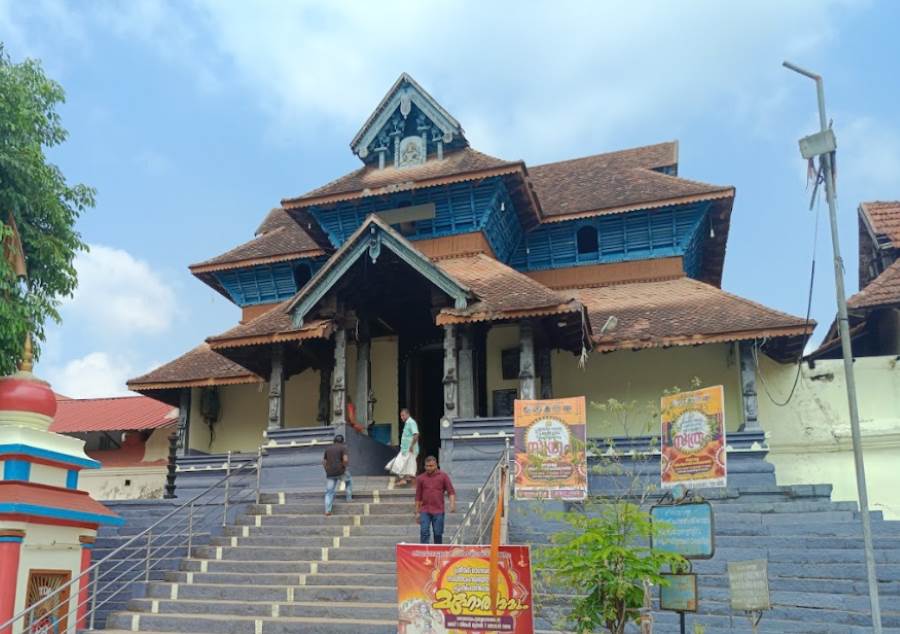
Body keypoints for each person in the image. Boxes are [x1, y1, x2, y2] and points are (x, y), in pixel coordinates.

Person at [415, 456, 456, 544]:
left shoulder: (443, 476)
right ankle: (424, 553)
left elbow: (451, 492)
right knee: (424, 532)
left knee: (438, 533)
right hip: (425, 510)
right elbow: (418, 496)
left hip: (438, 510)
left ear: (436, 465)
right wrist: (417, 512)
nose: (429, 468)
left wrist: (452, 505)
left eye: (431, 466)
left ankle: (438, 553)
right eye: (427, 466)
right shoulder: (421, 478)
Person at [323, 434, 352, 516]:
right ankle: (349, 498)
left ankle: (327, 510)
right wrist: (344, 467)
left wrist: (327, 470)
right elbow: (345, 460)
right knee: (349, 481)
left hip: (330, 473)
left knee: (329, 492)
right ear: (342, 441)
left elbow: (324, 462)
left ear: (334, 441)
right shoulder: (343, 447)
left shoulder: (328, 449)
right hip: (340, 471)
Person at [395, 408, 419, 486]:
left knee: (400, 463)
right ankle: (406, 479)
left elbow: (416, 434)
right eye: (401, 416)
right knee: (407, 464)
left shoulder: (411, 422)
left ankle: (407, 480)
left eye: (403, 415)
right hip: (406, 449)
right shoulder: (408, 423)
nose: (401, 417)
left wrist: (411, 446)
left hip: (410, 449)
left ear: (408, 414)